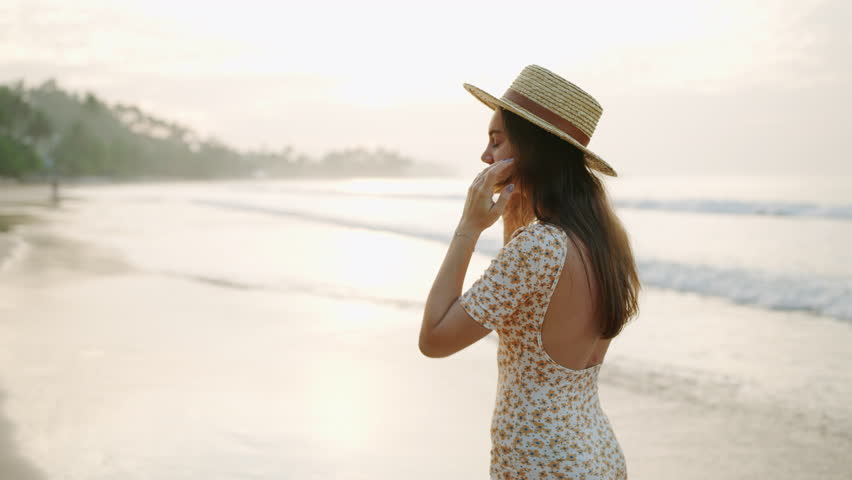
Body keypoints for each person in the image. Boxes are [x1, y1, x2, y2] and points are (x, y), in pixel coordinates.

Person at [419, 65, 641, 479]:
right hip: (597, 457)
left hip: (544, 465)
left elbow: (435, 337)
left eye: (496, 141)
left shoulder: (539, 246)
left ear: (532, 149)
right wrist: (517, 210)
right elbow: (527, 307)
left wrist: (468, 227)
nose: (486, 157)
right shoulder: (603, 241)